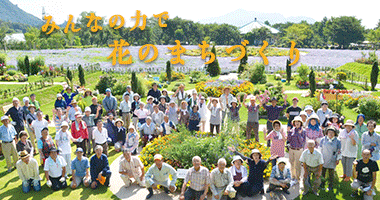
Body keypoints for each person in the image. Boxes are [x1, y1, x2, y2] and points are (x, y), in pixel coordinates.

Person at [319, 126, 342, 191]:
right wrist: (320, 158)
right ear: (327, 133)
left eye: (332, 132)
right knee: (323, 173)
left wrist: (338, 159)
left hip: (332, 159)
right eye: (329, 132)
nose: (331, 134)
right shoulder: (323, 139)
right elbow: (320, 149)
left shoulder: (338, 141)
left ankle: (330, 185)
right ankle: (322, 184)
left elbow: (339, 151)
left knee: (331, 174)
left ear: (335, 133)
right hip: (324, 159)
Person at [287, 116, 306, 183]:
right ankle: (293, 177)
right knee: (291, 163)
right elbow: (289, 139)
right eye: (296, 121)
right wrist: (289, 132)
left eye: (298, 122)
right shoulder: (292, 129)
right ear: (294, 122)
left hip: (298, 149)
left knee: (297, 164)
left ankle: (297, 178)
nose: (297, 123)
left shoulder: (303, 131)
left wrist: (299, 134)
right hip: (291, 149)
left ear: (301, 123)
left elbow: (302, 142)